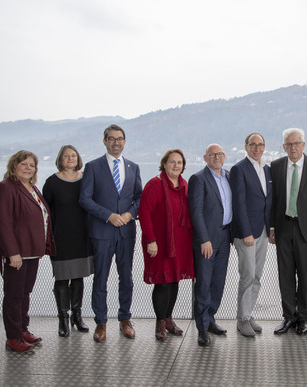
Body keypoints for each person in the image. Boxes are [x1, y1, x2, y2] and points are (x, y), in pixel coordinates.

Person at [79, 124, 143, 343]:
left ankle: (125, 319)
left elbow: (139, 197)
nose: (116, 142)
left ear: (125, 141)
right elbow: (85, 199)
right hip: (102, 231)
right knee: (101, 278)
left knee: (126, 278)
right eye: (112, 138)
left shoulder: (133, 167)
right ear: (104, 141)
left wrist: (129, 214)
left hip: (126, 231)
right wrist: (108, 215)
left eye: (120, 138)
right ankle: (101, 322)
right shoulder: (93, 167)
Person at [0, 150, 55, 352]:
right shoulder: (4, 188)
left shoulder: (32, 187)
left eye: (32, 165)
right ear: (14, 165)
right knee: (14, 295)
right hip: (15, 254)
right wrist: (12, 253)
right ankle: (13, 338)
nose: (28, 168)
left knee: (25, 292)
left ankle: (22, 329)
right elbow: (2, 224)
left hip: (32, 252)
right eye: (24, 164)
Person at [269, 128, 307, 336]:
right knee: (285, 275)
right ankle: (288, 317)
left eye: (296, 143)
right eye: (288, 144)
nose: (293, 147)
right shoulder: (276, 166)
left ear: (303, 145)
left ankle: (303, 318)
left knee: (304, 275)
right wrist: (272, 227)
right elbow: (274, 200)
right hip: (283, 227)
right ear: (284, 147)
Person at [138, 149, 194, 341]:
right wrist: (151, 240)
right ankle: (160, 322)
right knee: (162, 283)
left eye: (179, 162)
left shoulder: (185, 185)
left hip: (181, 243)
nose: (176, 165)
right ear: (164, 164)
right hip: (160, 244)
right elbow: (144, 213)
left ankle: (169, 320)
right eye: (172, 162)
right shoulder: (154, 185)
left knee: (174, 281)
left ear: (183, 166)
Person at [43, 145, 94, 338]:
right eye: (66, 156)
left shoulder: (86, 179)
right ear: (60, 159)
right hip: (60, 237)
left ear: (78, 158)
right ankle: (63, 318)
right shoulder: (52, 182)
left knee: (79, 277)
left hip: (83, 236)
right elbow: (45, 212)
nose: (70, 158)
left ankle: (77, 316)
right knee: (62, 278)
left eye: (73, 155)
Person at [188, 143, 232, 347]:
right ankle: (202, 328)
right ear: (205, 158)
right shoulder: (198, 179)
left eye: (219, 154)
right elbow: (195, 212)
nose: (216, 157)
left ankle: (211, 318)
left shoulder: (229, 176)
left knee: (218, 282)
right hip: (207, 240)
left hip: (225, 237)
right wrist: (204, 239)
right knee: (204, 284)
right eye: (212, 155)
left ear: (224, 156)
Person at [230, 133, 272, 337]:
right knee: (247, 276)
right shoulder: (239, 169)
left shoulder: (267, 169)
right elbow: (238, 203)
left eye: (260, 144)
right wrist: (246, 231)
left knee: (257, 276)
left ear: (264, 147)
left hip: (263, 230)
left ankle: (247, 313)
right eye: (252, 144)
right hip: (246, 233)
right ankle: (242, 319)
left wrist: (271, 229)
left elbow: (268, 201)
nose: (257, 148)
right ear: (246, 147)